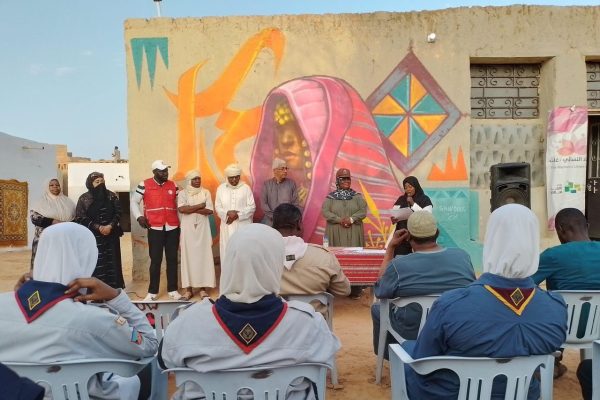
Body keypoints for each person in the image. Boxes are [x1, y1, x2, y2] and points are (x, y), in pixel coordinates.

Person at [403, 204, 567, 399]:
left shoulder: (451, 304)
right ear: (533, 243)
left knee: (407, 350)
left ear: (491, 241)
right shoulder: (556, 308)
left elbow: (424, 359)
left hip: (452, 394)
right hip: (522, 394)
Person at [160, 223, 340, 400]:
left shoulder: (186, 323)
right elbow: (326, 359)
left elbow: (164, 361)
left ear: (229, 261)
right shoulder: (308, 324)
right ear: (275, 265)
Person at [0, 222, 158, 399]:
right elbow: (150, 344)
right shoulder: (95, 320)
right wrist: (116, 296)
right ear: (87, 259)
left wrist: (19, 294)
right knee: (133, 379)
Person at [249, 78, 400, 246]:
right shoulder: (289, 188)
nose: (285, 140)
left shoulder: (362, 198)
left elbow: (361, 214)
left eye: (298, 129)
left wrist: (348, 219)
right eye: (280, 130)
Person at [372, 210, 475, 356]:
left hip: (411, 331)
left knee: (377, 308)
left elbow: (381, 289)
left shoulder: (398, 265)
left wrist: (391, 248)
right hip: (453, 326)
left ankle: (392, 355)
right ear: (437, 232)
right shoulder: (462, 257)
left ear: (408, 237)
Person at [531, 207, 600, 384]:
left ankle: (550, 361)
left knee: (550, 306)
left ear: (561, 229)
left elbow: (526, 287)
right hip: (598, 327)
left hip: (562, 329)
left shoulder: (552, 255)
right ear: (588, 226)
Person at [273, 203, 351, 315]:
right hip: (315, 328)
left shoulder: (259, 258)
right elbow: (344, 290)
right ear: (299, 224)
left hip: (275, 327)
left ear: (273, 227)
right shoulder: (324, 257)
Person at [131, 160, 182, 301]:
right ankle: (152, 292)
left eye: (166, 170)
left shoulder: (173, 185)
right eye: (162, 171)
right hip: (155, 227)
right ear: (154, 172)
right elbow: (134, 201)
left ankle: (173, 289)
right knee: (156, 260)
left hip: (172, 227)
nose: (165, 173)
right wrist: (139, 216)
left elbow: (181, 204)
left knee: (172, 259)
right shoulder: (144, 184)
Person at [76, 171, 124, 289]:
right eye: (97, 182)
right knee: (97, 262)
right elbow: (80, 217)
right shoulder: (84, 198)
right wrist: (98, 227)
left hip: (111, 235)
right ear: (90, 184)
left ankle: (113, 289)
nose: (100, 184)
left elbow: (118, 212)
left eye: (102, 181)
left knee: (112, 261)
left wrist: (110, 226)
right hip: (93, 237)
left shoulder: (111, 196)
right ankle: (97, 289)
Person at [177, 170, 215, 301]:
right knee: (188, 257)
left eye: (199, 178)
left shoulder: (206, 192)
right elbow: (182, 209)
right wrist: (200, 206)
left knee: (203, 257)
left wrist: (191, 208)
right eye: (195, 179)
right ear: (189, 181)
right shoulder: (182, 193)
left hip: (203, 230)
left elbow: (209, 210)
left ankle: (203, 289)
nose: (198, 181)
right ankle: (188, 290)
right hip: (188, 230)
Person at [29, 177, 75, 269]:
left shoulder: (68, 201)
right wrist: (54, 221)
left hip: (63, 238)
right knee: (44, 265)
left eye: (57, 185)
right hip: (45, 238)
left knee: (61, 264)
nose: (55, 187)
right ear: (47, 187)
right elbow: (34, 218)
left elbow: (75, 218)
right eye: (52, 185)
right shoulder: (40, 202)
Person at [215, 164, 255, 259]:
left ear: (239, 177)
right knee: (227, 250)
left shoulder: (246, 188)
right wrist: (227, 214)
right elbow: (218, 206)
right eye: (231, 178)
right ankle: (228, 273)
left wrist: (237, 215)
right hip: (227, 225)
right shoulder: (221, 189)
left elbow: (252, 207)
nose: (234, 180)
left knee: (243, 251)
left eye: (236, 177)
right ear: (227, 177)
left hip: (243, 225)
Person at [321, 168, 367, 247]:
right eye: (343, 179)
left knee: (354, 258)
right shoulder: (330, 198)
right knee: (336, 257)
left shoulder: (357, 196)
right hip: (335, 234)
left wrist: (351, 219)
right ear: (338, 180)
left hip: (354, 234)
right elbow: (325, 212)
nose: (346, 181)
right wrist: (340, 220)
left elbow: (363, 211)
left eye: (348, 179)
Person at [391, 176, 433, 256]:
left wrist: (413, 204)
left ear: (416, 186)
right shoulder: (401, 199)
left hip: (419, 236)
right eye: (405, 188)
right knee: (401, 259)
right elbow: (394, 212)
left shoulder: (425, 199)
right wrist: (394, 218)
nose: (408, 190)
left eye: (410, 187)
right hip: (402, 236)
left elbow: (428, 216)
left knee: (418, 259)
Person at [259, 158, 300, 226]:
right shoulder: (267, 184)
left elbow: (295, 203)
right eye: (282, 169)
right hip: (270, 220)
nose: (285, 171)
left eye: (286, 168)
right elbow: (264, 204)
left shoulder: (291, 184)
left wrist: (289, 218)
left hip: (286, 221)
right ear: (275, 170)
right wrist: (274, 217)